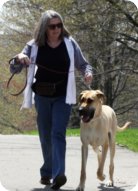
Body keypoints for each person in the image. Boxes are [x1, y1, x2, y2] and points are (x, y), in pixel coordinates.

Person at [10, 10, 93, 190]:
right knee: (46, 136)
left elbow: (84, 64)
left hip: (63, 96)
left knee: (57, 133)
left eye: (59, 25)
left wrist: (88, 73)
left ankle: (58, 175)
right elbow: (14, 68)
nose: (56, 29)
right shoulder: (33, 45)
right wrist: (19, 58)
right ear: (44, 28)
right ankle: (46, 172)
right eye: (52, 26)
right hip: (42, 96)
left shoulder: (70, 44)